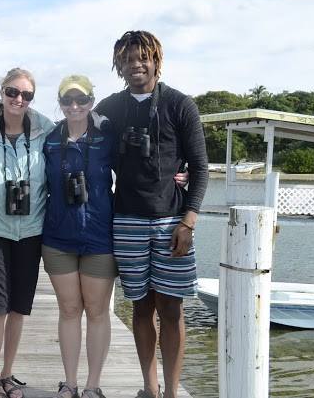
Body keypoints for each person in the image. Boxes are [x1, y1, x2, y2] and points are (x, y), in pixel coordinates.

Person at [94, 31, 209, 398]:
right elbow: (78, 129)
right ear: (119, 65)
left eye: (142, 57)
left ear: (156, 60)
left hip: (171, 221)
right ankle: (149, 387)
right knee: (141, 308)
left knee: (171, 310)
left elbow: (201, 168)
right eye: (127, 59)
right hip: (126, 219)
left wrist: (188, 220)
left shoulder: (180, 104)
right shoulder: (111, 106)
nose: (135, 65)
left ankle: (172, 392)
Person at [0, 68, 55, 398]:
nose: (18, 99)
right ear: (1, 92)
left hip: (31, 230)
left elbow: (81, 133)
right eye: (12, 92)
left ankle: (8, 374)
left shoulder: (46, 128)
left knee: (19, 308)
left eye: (26, 94)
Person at [42, 75, 117, 398]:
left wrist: (179, 175)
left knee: (97, 311)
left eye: (81, 100)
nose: (74, 106)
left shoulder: (107, 137)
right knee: (69, 310)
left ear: (91, 102)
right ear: (59, 103)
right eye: (67, 101)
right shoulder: (48, 139)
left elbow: (139, 167)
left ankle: (92, 386)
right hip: (58, 237)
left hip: (99, 236)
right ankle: (70, 384)